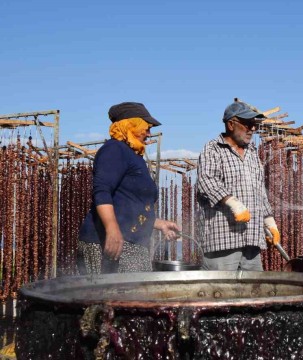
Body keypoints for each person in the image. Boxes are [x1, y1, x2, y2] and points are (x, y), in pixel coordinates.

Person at [77, 102, 179, 274]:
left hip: (132, 242)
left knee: (136, 297)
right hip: (110, 241)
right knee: (110, 298)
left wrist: (160, 224)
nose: (149, 133)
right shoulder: (114, 149)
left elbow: (129, 205)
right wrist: (112, 229)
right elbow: (102, 191)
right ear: (130, 126)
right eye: (146, 127)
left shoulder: (134, 156)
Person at [196, 98, 280, 271]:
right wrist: (232, 202)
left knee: (254, 293)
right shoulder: (213, 149)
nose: (253, 129)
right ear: (231, 124)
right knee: (221, 294)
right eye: (248, 124)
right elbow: (206, 180)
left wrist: (269, 220)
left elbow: (259, 191)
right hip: (224, 242)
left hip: (252, 242)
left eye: (254, 124)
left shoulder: (252, 153)